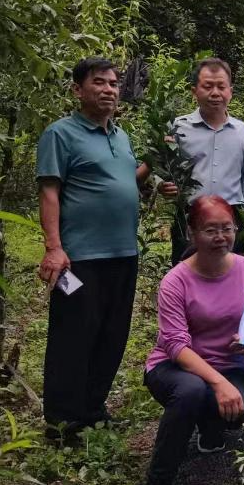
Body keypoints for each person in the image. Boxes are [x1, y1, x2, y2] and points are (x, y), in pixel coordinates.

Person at [36, 56, 150, 443]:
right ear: (77, 89)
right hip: (79, 257)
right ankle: (63, 424)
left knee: (111, 335)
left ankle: (93, 410)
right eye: (99, 82)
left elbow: (124, 181)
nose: (108, 90)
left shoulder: (121, 136)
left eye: (114, 84)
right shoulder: (60, 134)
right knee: (72, 337)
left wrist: (154, 170)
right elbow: (49, 192)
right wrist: (53, 247)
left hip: (124, 253)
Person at [141, 195, 244, 485]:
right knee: (191, 391)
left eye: (227, 228)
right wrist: (219, 383)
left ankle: (210, 429)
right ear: (192, 233)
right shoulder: (175, 281)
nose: (221, 237)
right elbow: (176, 346)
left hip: (229, 365)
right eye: (210, 230)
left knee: (242, 409)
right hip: (174, 367)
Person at [163, 58, 244, 267]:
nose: (215, 93)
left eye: (221, 87)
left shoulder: (242, 130)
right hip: (190, 216)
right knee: (187, 274)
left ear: (230, 92)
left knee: (229, 276)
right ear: (194, 91)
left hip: (230, 219)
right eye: (208, 86)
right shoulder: (178, 127)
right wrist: (163, 184)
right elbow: (164, 168)